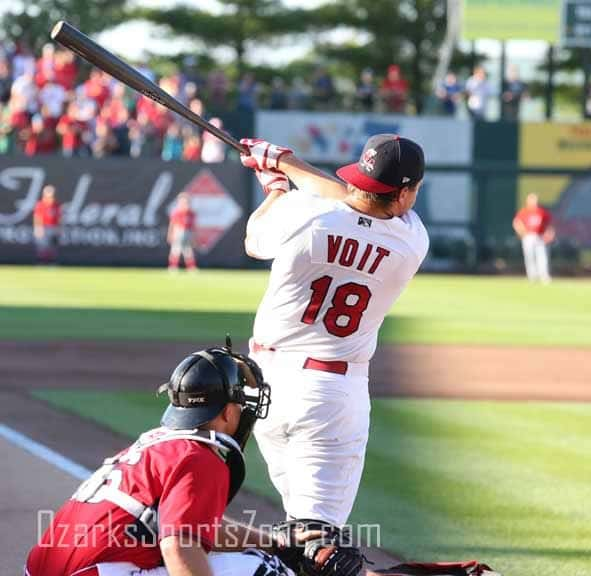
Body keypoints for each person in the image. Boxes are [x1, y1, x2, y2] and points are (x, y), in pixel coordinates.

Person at [238, 134, 429, 544]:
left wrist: (276, 184)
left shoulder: (304, 213)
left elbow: (255, 240)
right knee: (318, 542)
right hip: (330, 395)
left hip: (265, 388)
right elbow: (349, 199)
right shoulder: (411, 240)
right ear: (403, 193)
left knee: (298, 529)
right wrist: (286, 164)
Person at [24, 341, 286, 576]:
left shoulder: (158, 447)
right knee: (265, 568)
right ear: (228, 412)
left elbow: (193, 524)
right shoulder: (200, 457)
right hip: (90, 573)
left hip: (43, 569)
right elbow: (179, 548)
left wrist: (274, 541)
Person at [512, 193, 555, 283]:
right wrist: (522, 233)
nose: (534, 202)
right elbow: (516, 222)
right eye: (532, 200)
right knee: (530, 257)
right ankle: (532, 276)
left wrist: (549, 234)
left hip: (540, 236)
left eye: (535, 200)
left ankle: (544, 275)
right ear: (528, 201)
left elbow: (549, 224)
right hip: (528, 236)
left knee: (542, 256)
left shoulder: (542, 212)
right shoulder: (524, 212)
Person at [167, 192, 198, 271]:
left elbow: (193, 226)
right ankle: (172, 267)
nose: (184, 203)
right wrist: (170, 234)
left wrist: (194, 237)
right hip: (178, 231)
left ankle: (191, 268)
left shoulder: (191, 213)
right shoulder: (177, 212)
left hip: (188, 232)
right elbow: (172, 224)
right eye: (182, 201)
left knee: (188, 251)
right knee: (175, 250)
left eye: (186, 201)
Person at [33, 185, 62, 264]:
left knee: (52, 246)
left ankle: (52, 262)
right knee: (42, 246)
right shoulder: (41, 204)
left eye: (51, 193)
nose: (50, 195)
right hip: (44, 227)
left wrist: (59, 228)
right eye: (48, 193)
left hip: (53, 227)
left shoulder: (56, 205)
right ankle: (42, 262)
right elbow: (37, 217)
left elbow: (59, 217)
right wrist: (38, 228)